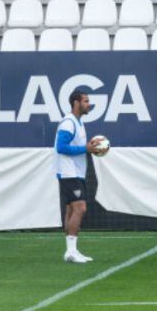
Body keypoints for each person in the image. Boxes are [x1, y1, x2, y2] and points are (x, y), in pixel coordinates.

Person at [55, 89, 102, 263]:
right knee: (80, 208)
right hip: (69, 172)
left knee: (71, 210)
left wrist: (89, 146)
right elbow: (61, 147)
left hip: (75, 172)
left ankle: (71, 250)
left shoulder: (79, 122)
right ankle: (71, 252)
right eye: (85, 101)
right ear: (76, 103)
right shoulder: (68, 123)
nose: (88, 104)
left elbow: (78, 146)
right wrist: (85, 149)